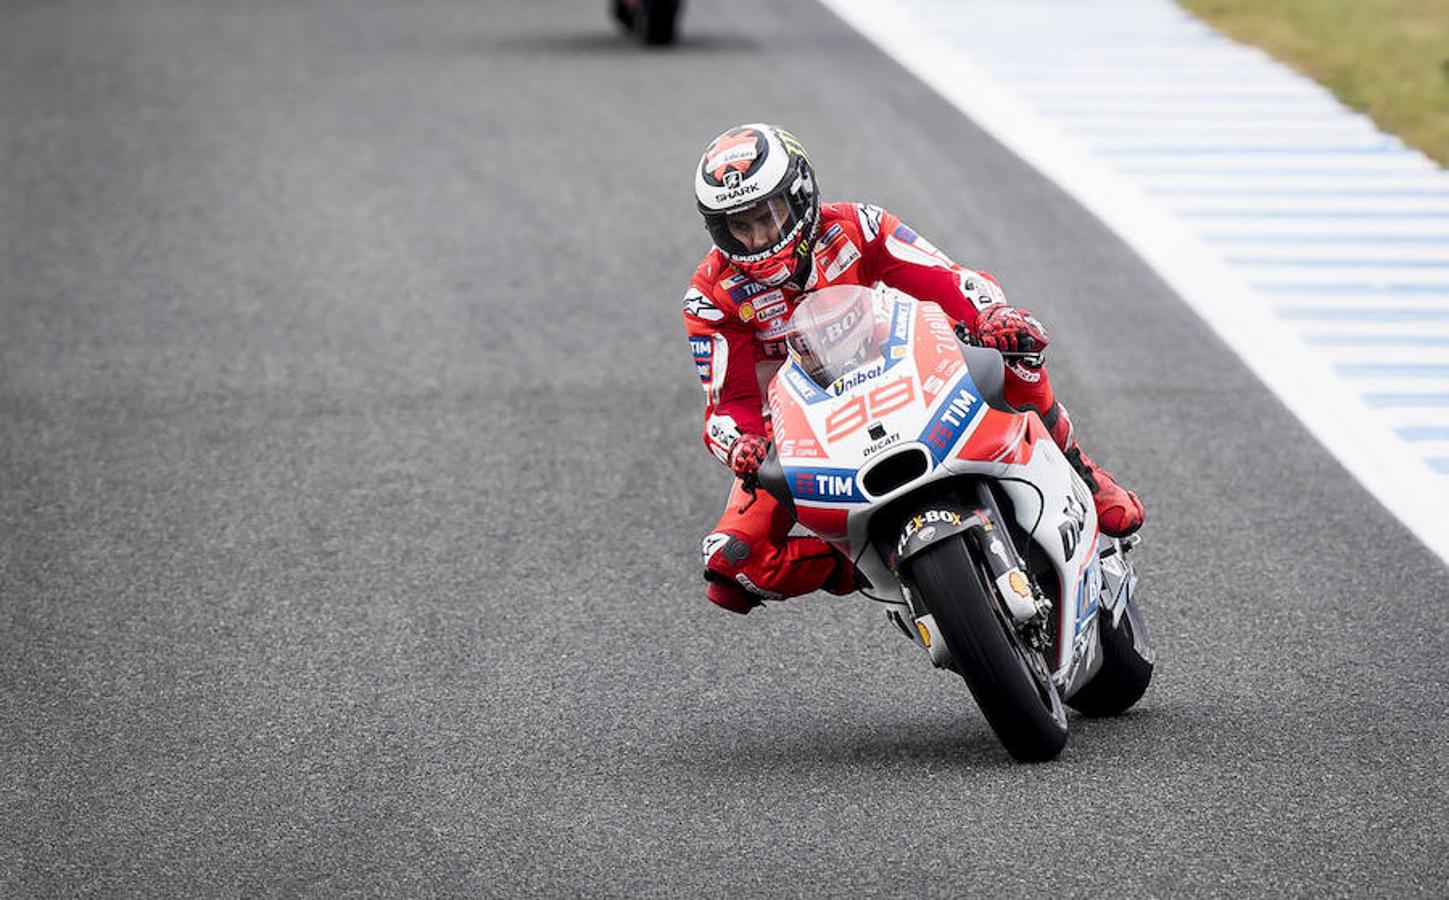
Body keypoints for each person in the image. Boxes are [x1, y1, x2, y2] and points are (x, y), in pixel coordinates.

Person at [683, 123, 1143, 615]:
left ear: (800, 196)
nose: (759, 238)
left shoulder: (858, 225)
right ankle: (881, 562)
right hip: (803, 431)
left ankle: (1081, 471)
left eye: (768, 216)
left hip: (905, 372)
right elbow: (726, 408)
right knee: (732, 566)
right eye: (741, 227)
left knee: (1015, 345)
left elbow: (950, 280)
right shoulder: (711, 297)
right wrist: (743, 445)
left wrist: (988, 316)